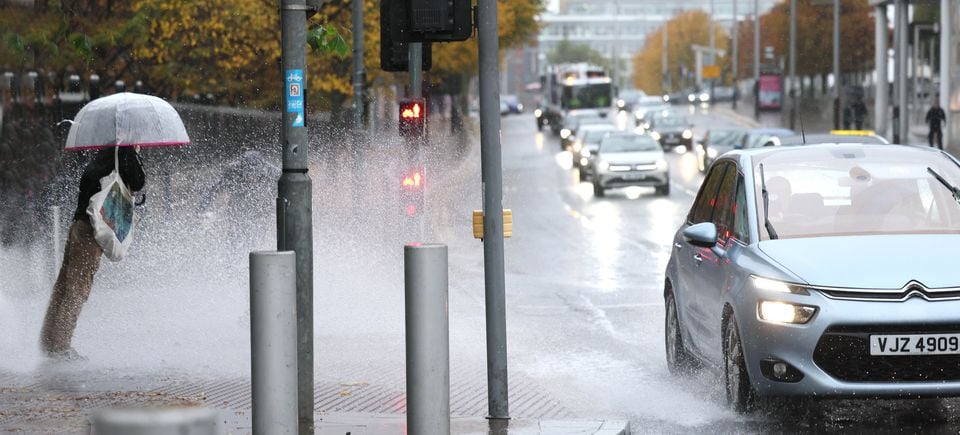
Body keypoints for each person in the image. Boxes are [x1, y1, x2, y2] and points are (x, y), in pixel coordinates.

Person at [40, 145, 145, 360]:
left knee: (63, 287)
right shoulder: (123, 154)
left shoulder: (100, 156)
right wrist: (134, 153)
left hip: (79, 226)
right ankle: (60, 348)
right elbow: (138, 182)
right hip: (91, 231)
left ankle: (49, 342)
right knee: (77, 290)